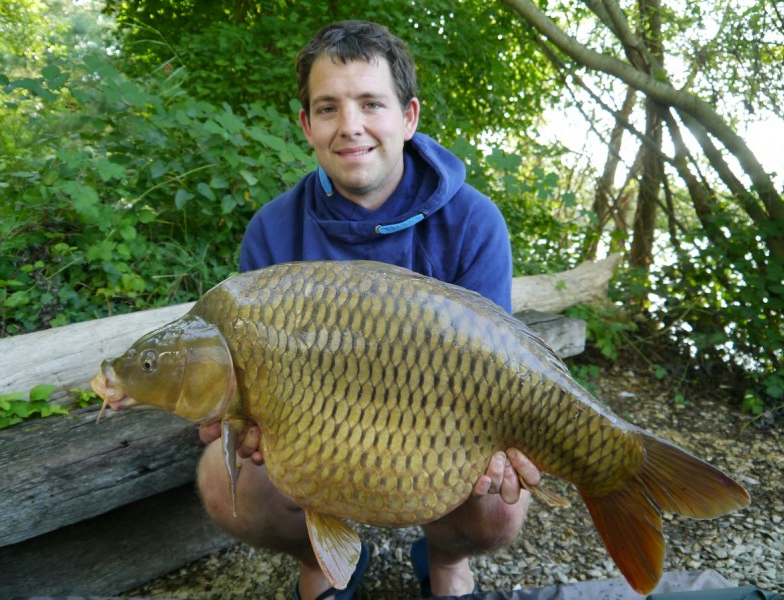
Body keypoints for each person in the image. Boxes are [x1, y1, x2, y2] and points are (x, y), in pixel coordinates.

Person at [196, 20, 541, 600]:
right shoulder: (273, 231)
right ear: (306, 125)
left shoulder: (474, 223)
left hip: (443, 437)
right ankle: (324, 559)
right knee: (222, 479)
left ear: (408, 117)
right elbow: (241, 377)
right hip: (314, 439)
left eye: (370, 104)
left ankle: (447, 560)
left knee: (500, 508)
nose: (350, 126)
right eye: (328, 108)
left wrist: (502, 446)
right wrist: (245, 422)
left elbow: (498, 373)